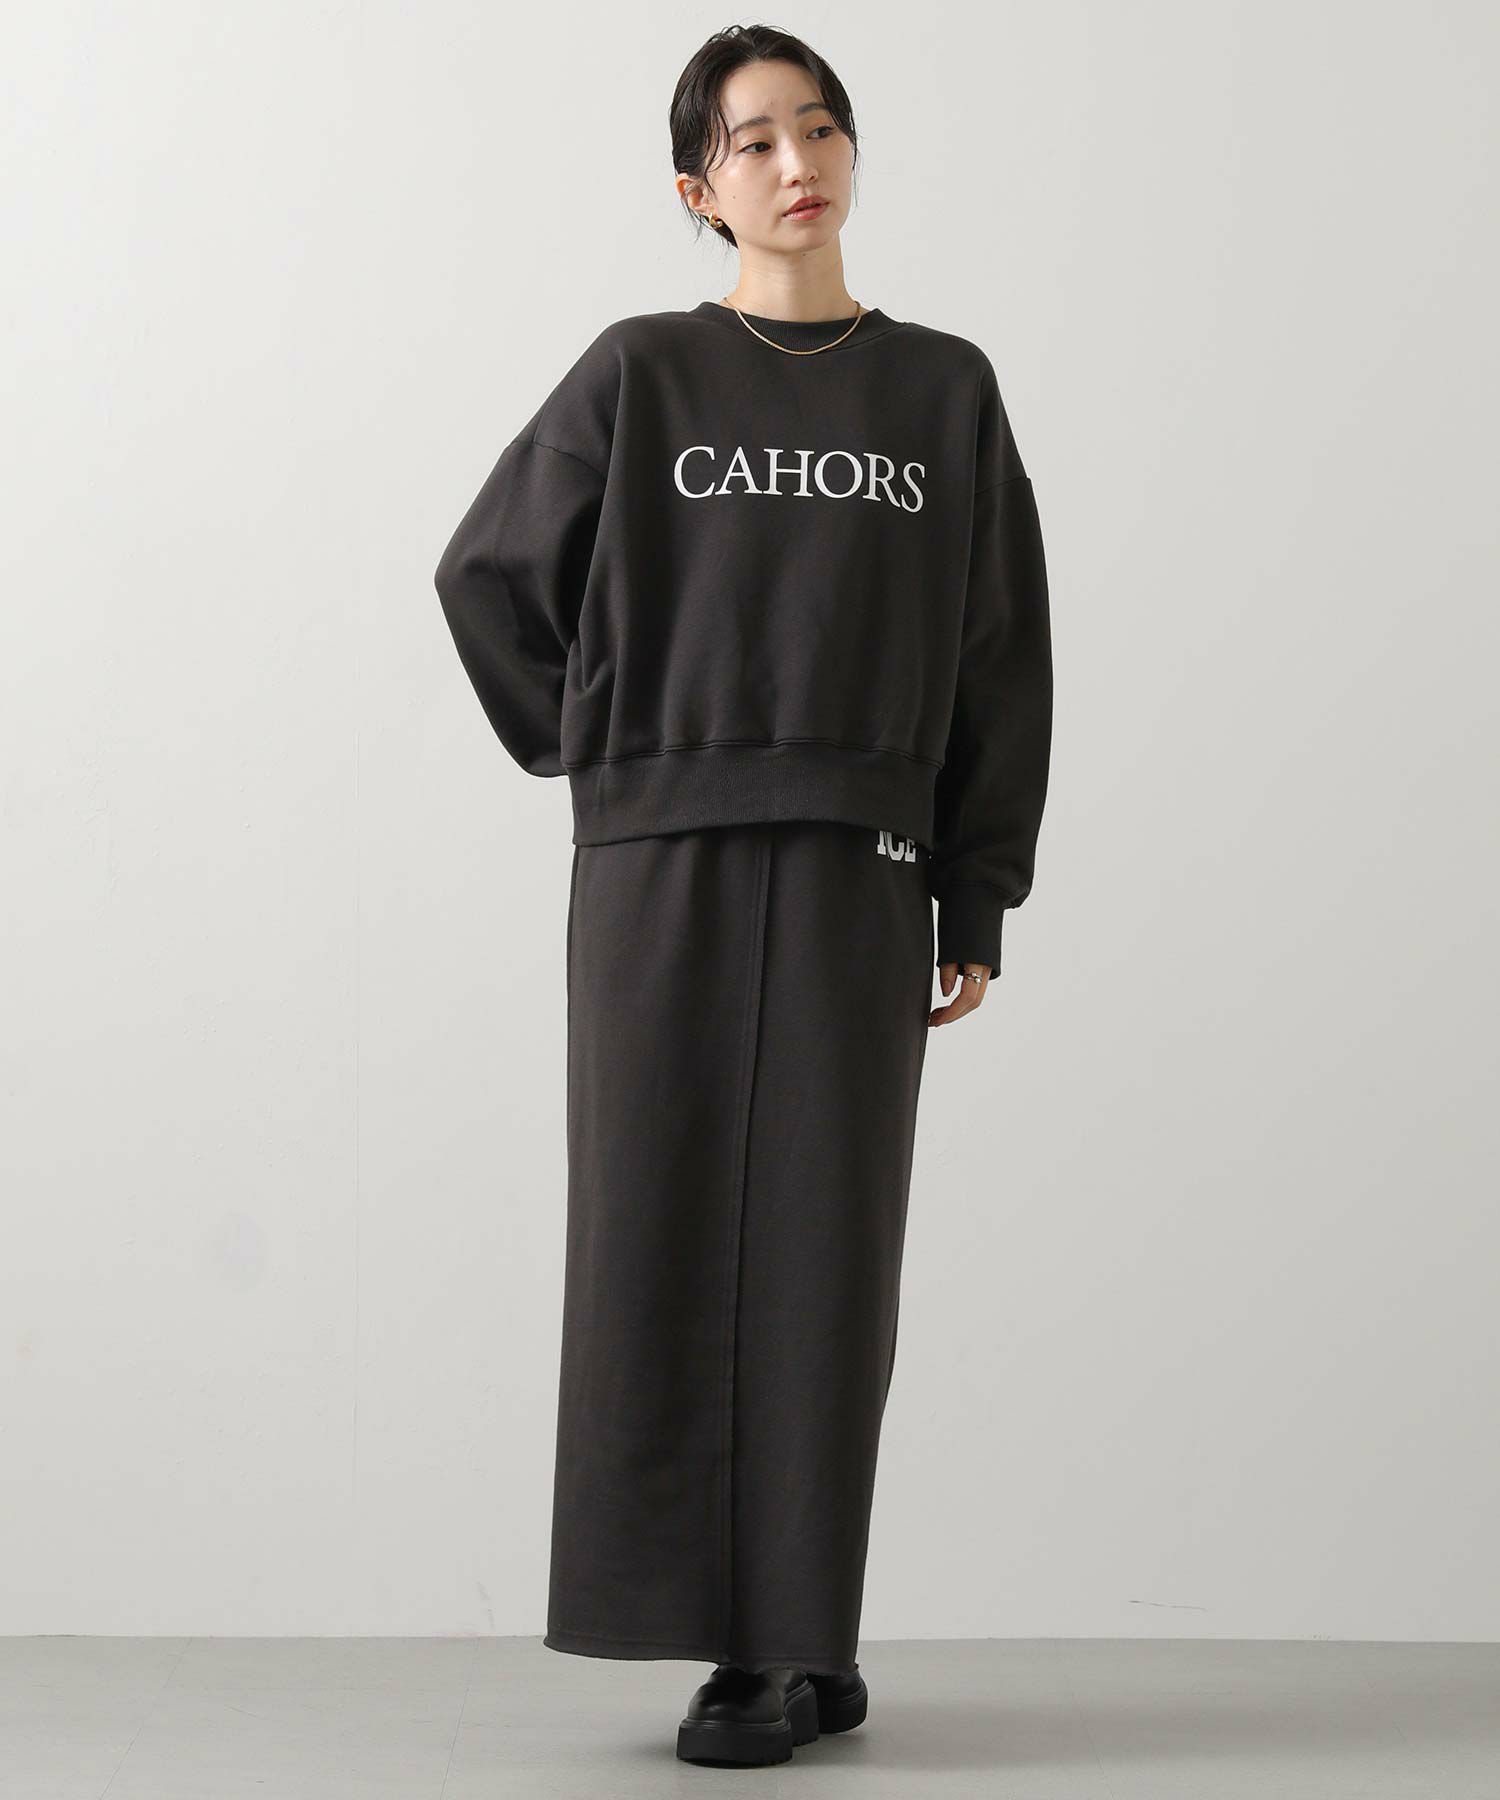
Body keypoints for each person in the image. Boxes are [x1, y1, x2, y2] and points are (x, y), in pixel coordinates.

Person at [433, 22, 1053, 1771]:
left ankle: (794, 1644)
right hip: (661, 868)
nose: (799, 163)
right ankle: (747, 1641)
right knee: (661, 1230)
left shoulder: (942, 390)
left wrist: (978, 891)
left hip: (863, 861)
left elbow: (1000, 651)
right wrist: (611, 750)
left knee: (823, 1257)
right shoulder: (642, 373)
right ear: (698, 190)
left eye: (822, 128)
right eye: (757, 140)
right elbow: (485, 577)